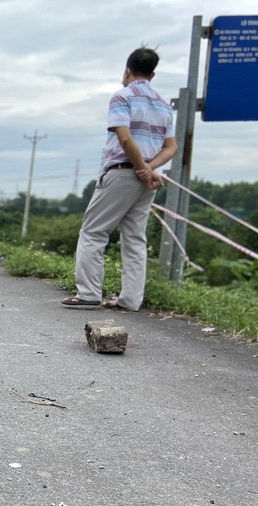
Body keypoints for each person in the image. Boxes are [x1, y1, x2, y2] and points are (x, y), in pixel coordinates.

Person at [63, 47, 178, 311]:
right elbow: (171, 147)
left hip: (121, 172)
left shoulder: (121, 97)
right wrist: (149, 169)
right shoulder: (163, 105)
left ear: (126, 70)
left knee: (93, 231)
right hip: (146, 180)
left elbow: (125, 138)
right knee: (135, 239)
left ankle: (89, 293)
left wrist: (140, 167)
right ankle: (130, 300)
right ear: (153, 74)